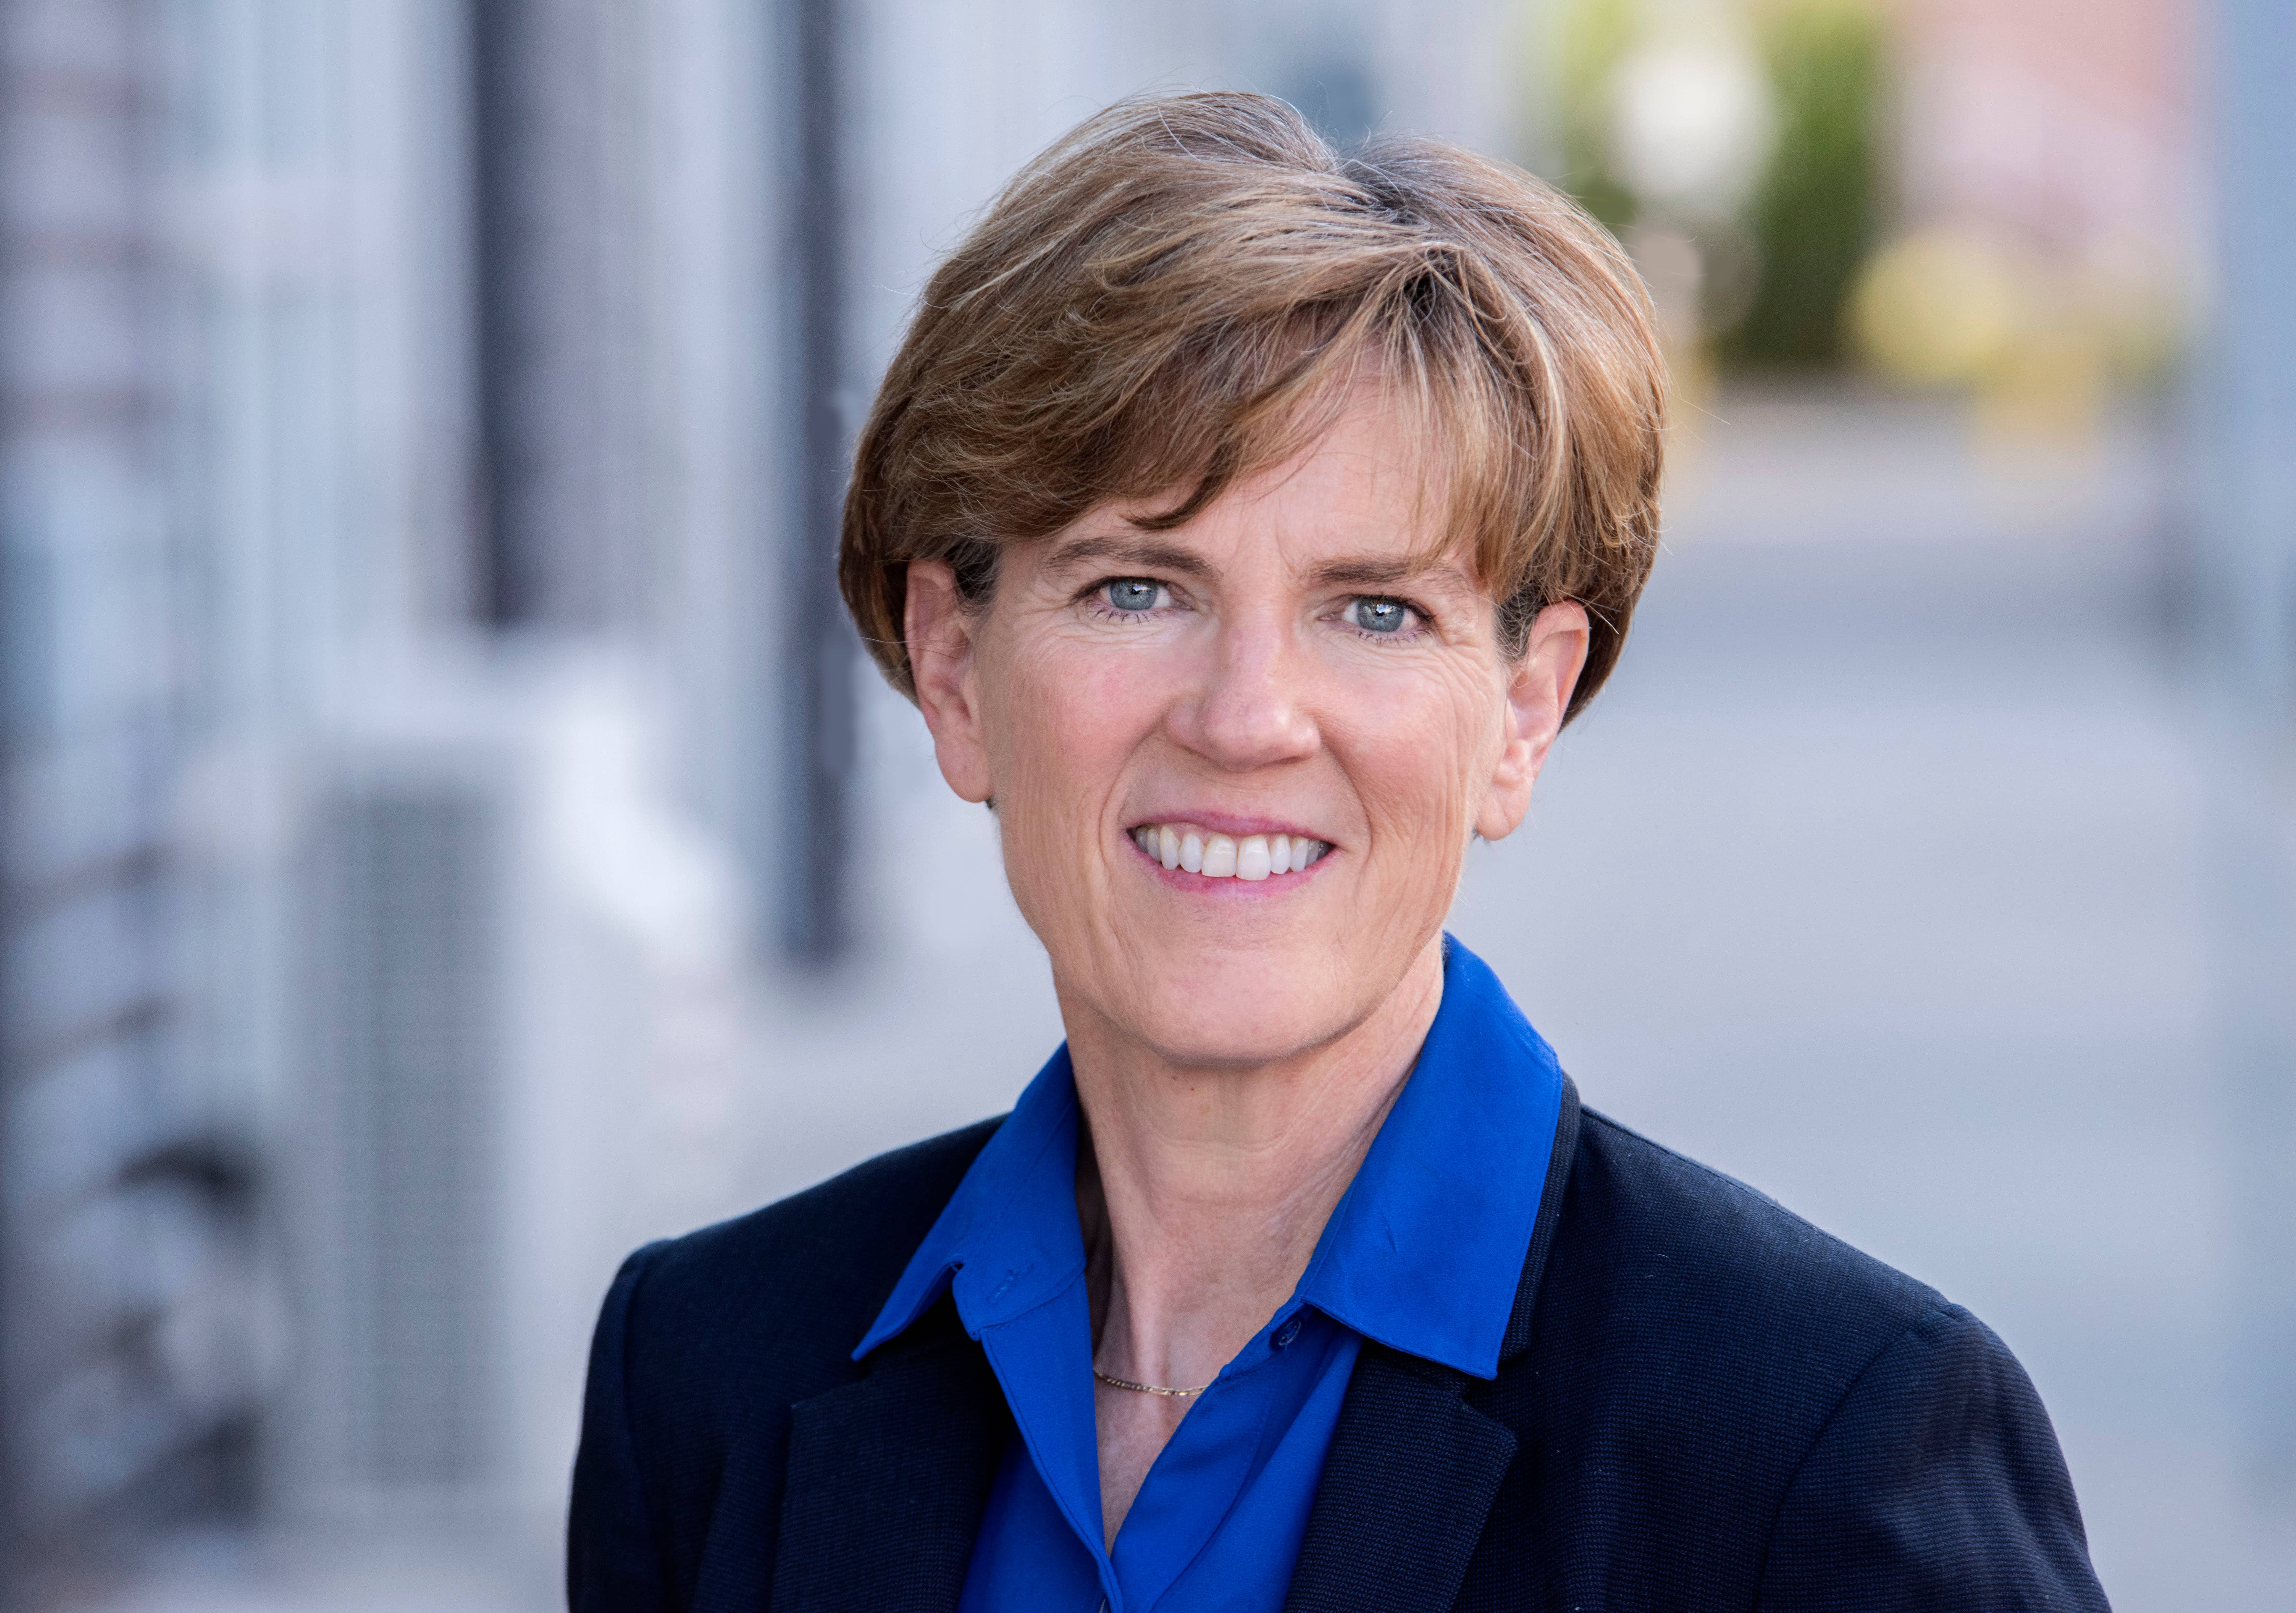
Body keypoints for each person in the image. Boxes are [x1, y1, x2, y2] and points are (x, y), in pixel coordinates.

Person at [568, 93, 2109, 1612]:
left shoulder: (1819, 1453)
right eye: (1132, 589)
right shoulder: (705, 1372)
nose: (1247, 720)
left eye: (1374, 610)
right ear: (956, 670)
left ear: (1521, 709)